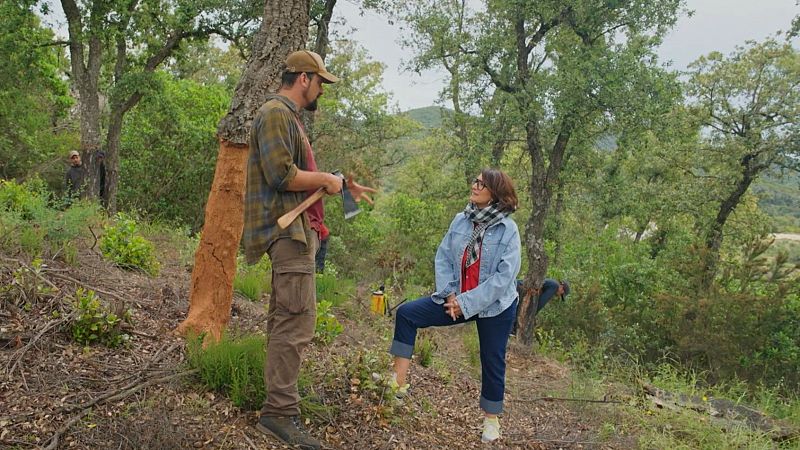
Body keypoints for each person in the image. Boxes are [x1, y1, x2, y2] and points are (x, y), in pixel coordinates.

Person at [242, 49, 376, 450]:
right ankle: (279, 413)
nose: (321, 89)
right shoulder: (275, 113)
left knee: (288, 318)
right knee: (295, 322)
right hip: (288, 236)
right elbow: (282, 175)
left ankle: (283, 398)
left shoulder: (289, 118)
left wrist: (337, 182)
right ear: (303, 78)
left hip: (299, 233)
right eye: (320, 82)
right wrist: (324, 178)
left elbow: (298, 175)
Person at [387, 168, 521, 443]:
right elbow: (444, 257)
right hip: (455, 300)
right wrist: (450, 295)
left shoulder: (508, 229)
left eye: (482, 184)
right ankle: (396, 386)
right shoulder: (461, 220)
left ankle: (491, 421)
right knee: (407, 314)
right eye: (476, 181)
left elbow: (504, 279)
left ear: (495, 193)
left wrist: (466, 302)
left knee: (492, 357)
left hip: (495, 306)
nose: (475, 185)